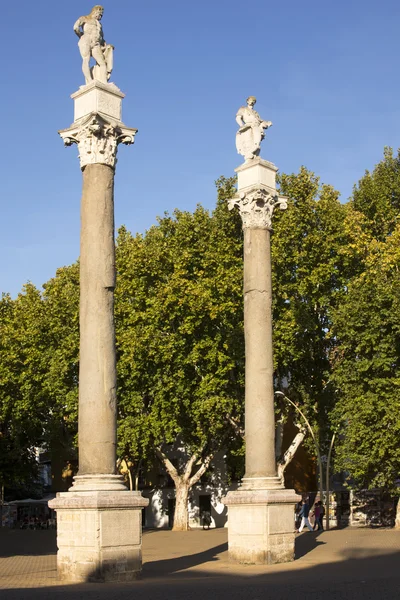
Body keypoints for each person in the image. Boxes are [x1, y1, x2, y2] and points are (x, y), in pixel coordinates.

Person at [73, 5, 114, 85]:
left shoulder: (99, 25)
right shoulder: (85, 18)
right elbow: (75, 27)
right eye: (100, 14)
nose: (100, 17)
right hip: (86, 40)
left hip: (96, 44)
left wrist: (106, 46)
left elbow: (101, 38)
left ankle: (103, 82)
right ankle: (89, 81)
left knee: (102, 63)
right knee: (86, 60)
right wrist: (82, 36)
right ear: (96, 11)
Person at [235, 96, 272, 161]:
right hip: (248, 126)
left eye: (253, 101)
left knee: (257, 143)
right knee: (249, 143)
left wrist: (267, 123)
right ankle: (249, 156)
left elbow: (260, 121)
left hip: (256, 127)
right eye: (251, 100)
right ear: (247, 101)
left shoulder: (255, 113)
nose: (252, 102)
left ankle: (254, 155)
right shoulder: (243, 109)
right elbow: (238, 118)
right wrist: (242, 126)